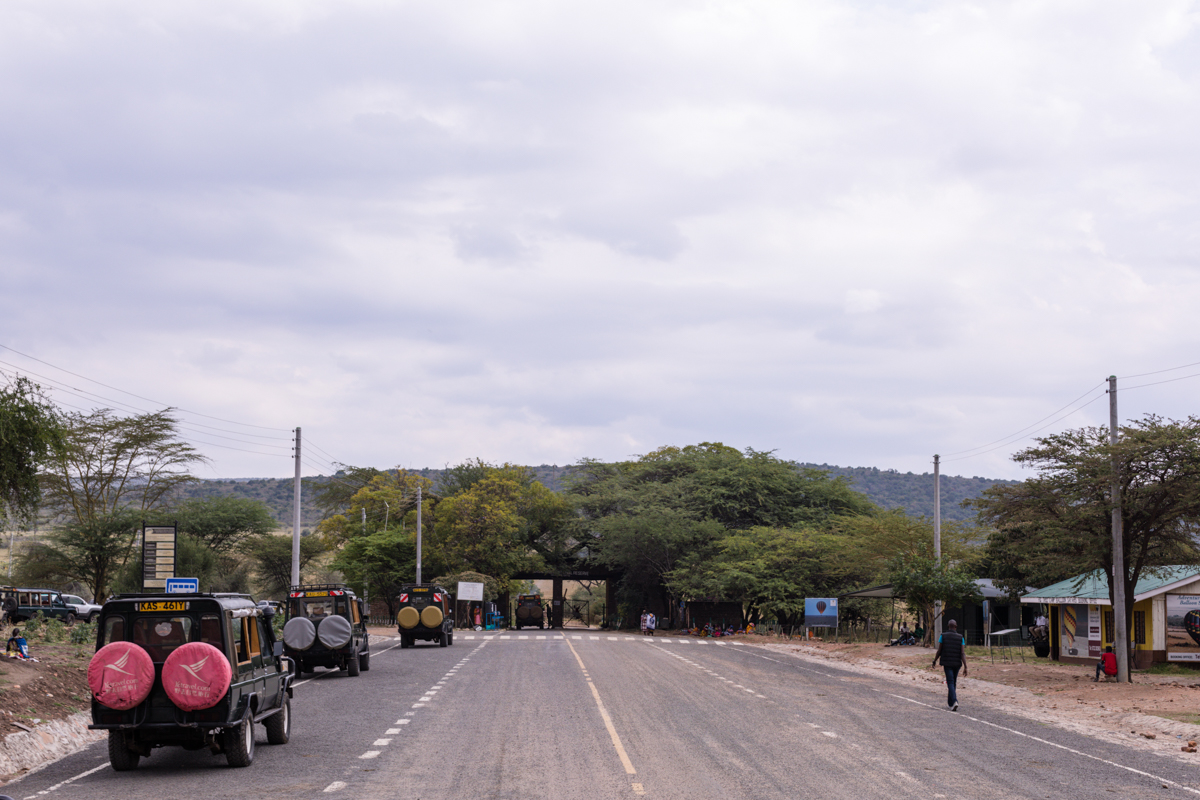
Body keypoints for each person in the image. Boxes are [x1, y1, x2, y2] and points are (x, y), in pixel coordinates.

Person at [932, 619, 967, 711]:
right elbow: (962, 653)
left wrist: (934, 660)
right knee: (953, 682)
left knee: (950, 682)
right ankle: (950, 703)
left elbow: (939, 651)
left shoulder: (943, 636)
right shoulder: (961, 637)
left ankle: (954, 701)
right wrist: (966, 666)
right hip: (957, 664)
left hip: (947, 663)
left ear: (948, 626)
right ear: (956, 627)